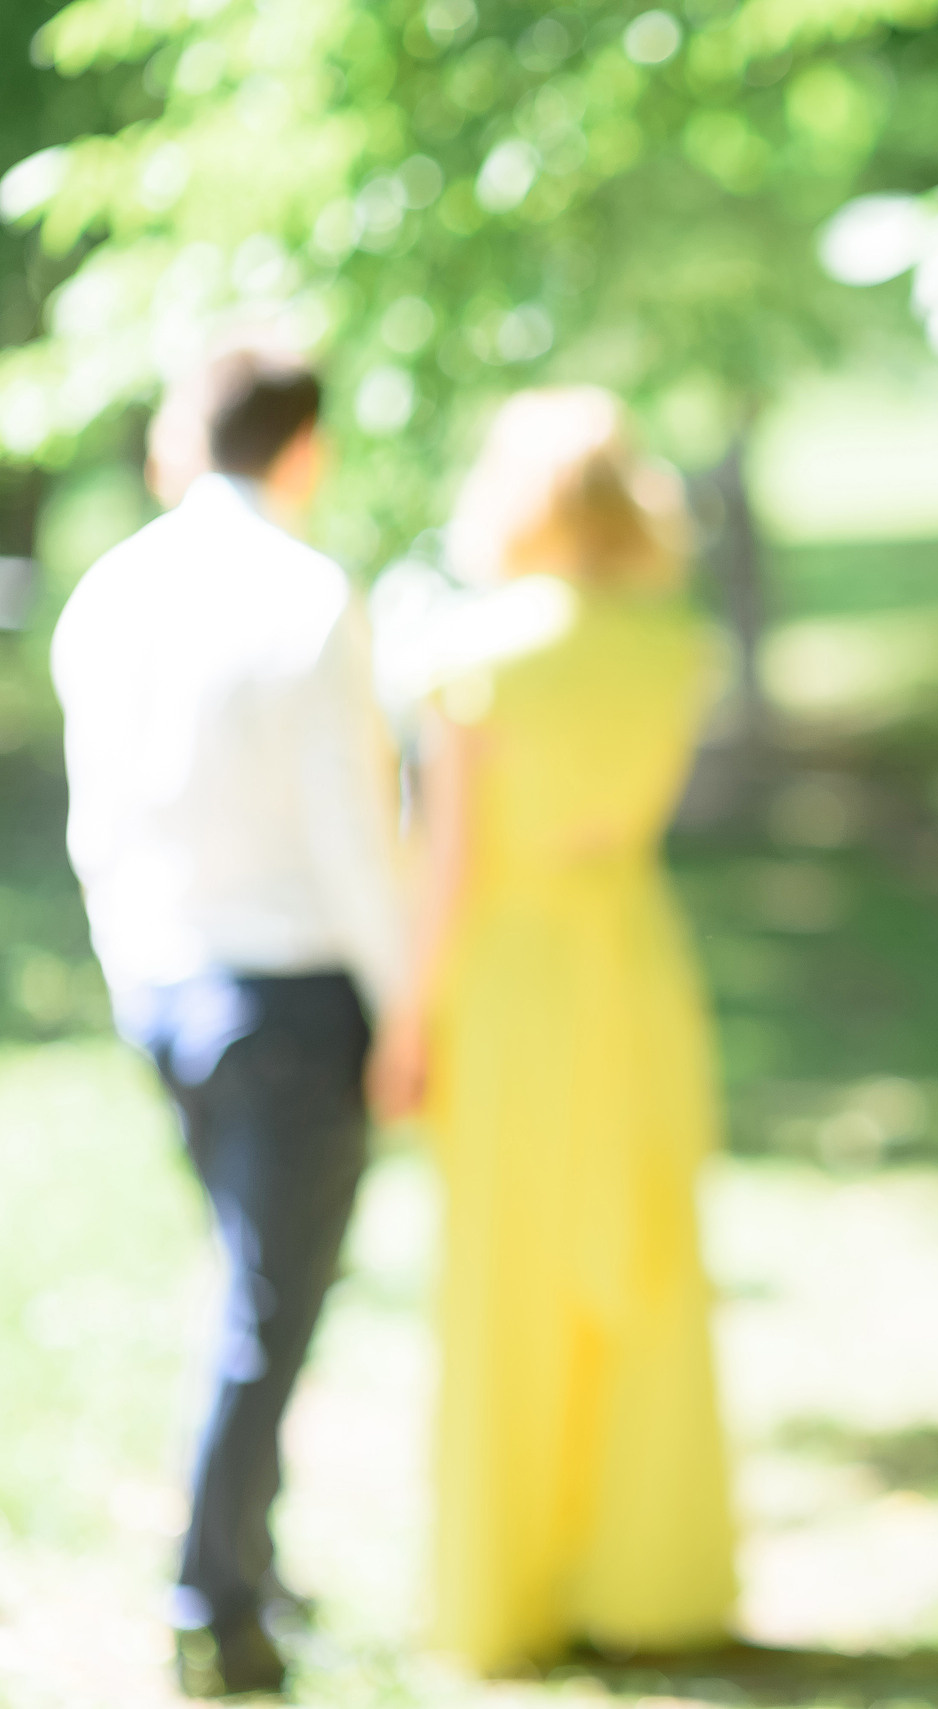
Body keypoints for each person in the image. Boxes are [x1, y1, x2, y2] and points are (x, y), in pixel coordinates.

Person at [52, 345, 408, 1697]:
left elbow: (96, 826)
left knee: (252, 1285)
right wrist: (407, 1007)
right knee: (271, 1308)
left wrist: (131, 969)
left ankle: (245, 1561)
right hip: (294, 995)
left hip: (164, 980)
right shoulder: (309, 598)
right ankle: (215, 1600)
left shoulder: (110, 589)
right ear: (304, 449)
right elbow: (355, 845)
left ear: (183, 445)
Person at [371, 388, 735, 1672]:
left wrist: (404, 1021)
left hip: (513, 972)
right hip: (633, 955)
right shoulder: (674, 646)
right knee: (643, 1263)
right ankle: (652, 1580)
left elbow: (447, 861)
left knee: (506, 1274)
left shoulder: (476, 654)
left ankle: (509, 1594)